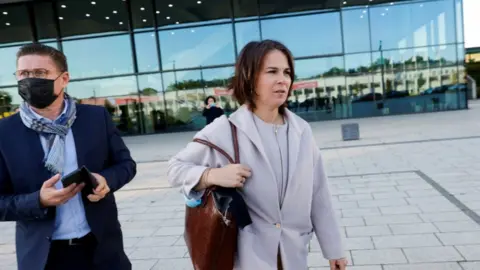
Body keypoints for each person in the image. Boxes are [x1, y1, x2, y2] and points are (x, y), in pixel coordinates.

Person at [167, 40, 347, 270]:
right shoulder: (226, 129)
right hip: (248, 258)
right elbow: (174, 168)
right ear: (250, 78)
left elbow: (319, 192)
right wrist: (212, 175)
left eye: (287, 72)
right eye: (272, 71)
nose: (283, 79)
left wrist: (334, 250)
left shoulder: (302, 130)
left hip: (294, 254)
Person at [0, 43, 137, 270]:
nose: (30, 80)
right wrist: (38, 200)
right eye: (23, 73)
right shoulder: (5, 133)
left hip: (102, 249)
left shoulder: (95, 118)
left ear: (64, 79)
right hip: (44, 257)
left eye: (40, 73)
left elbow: (126, 165)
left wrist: (106, 181)